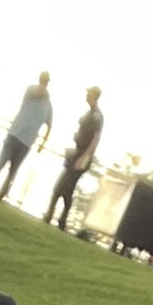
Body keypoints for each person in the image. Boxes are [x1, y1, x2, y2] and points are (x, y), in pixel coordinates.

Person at [0, 71, 54, 201]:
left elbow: (49, 125)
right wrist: (44, 92)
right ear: (40, 80)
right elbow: (37, 93)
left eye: (46, 81)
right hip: (14, 134)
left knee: (13, 171)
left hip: (27, 142)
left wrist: (43, 143)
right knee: (0, 164)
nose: (44, 83)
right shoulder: (31, 90)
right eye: (43, 80)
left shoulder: (48, 105)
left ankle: (1, 195)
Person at [43, 87, 103, 230]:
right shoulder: (89, 113)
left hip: (82, 156)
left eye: (89, 93)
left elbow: (95, 139)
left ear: (94, 96)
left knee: (63, 187)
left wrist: (84, 157)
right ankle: (57, 219)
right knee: (65, 189)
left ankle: (56, 218)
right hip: (77, 152)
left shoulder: (97, 116)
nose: (86, 95)